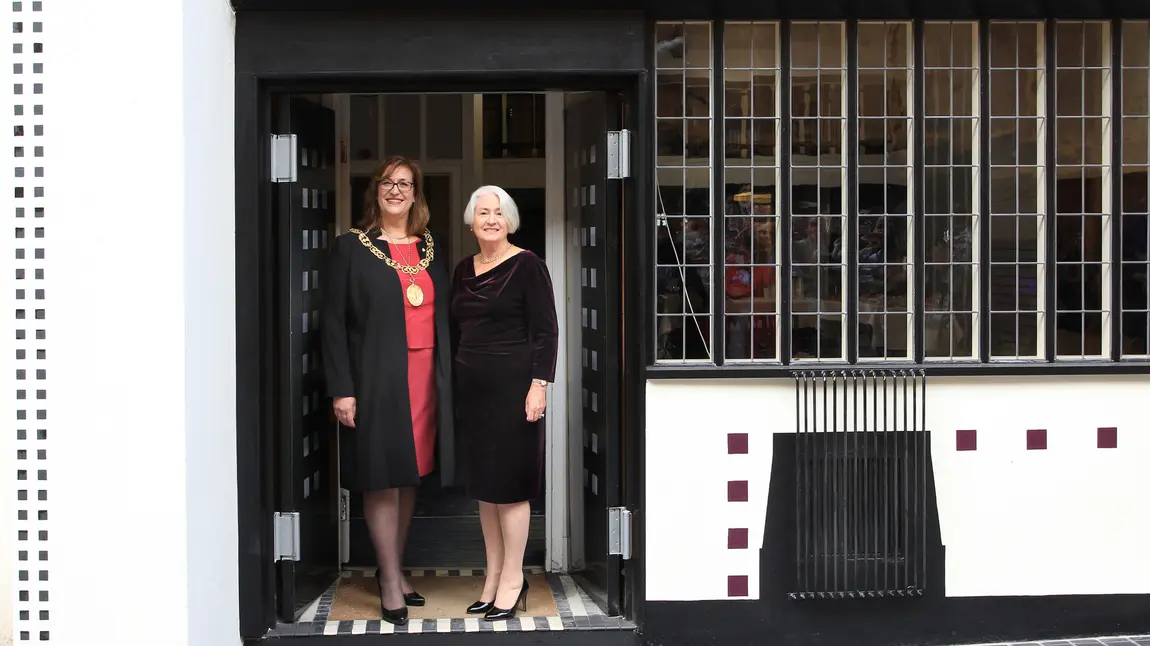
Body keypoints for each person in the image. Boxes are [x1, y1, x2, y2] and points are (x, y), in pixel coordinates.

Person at [322, 156, 455, 627]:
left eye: (406, 183)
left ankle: (392, 570)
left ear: (417, 193)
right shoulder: (351, 248)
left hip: (424, 379)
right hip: (376, 377)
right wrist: (343, 388)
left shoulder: (431, 248)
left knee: (409, 472)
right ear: (375, 191)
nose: (396, 190)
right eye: (388, 182)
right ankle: (390, 578)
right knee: (381, 473)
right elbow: (333, 324)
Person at [451, 185, 559, 621]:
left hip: (516, 389)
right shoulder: (463, 270)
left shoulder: (528, 265)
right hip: (473, 392)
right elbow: (455, 331)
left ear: (509, 220)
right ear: (472, 221)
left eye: (498, 212)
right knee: (485, 489)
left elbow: (546, 332)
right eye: (483, 213)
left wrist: (539, 385)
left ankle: (514, 578)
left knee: (512, 489)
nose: (491, 219)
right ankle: (492, 576)